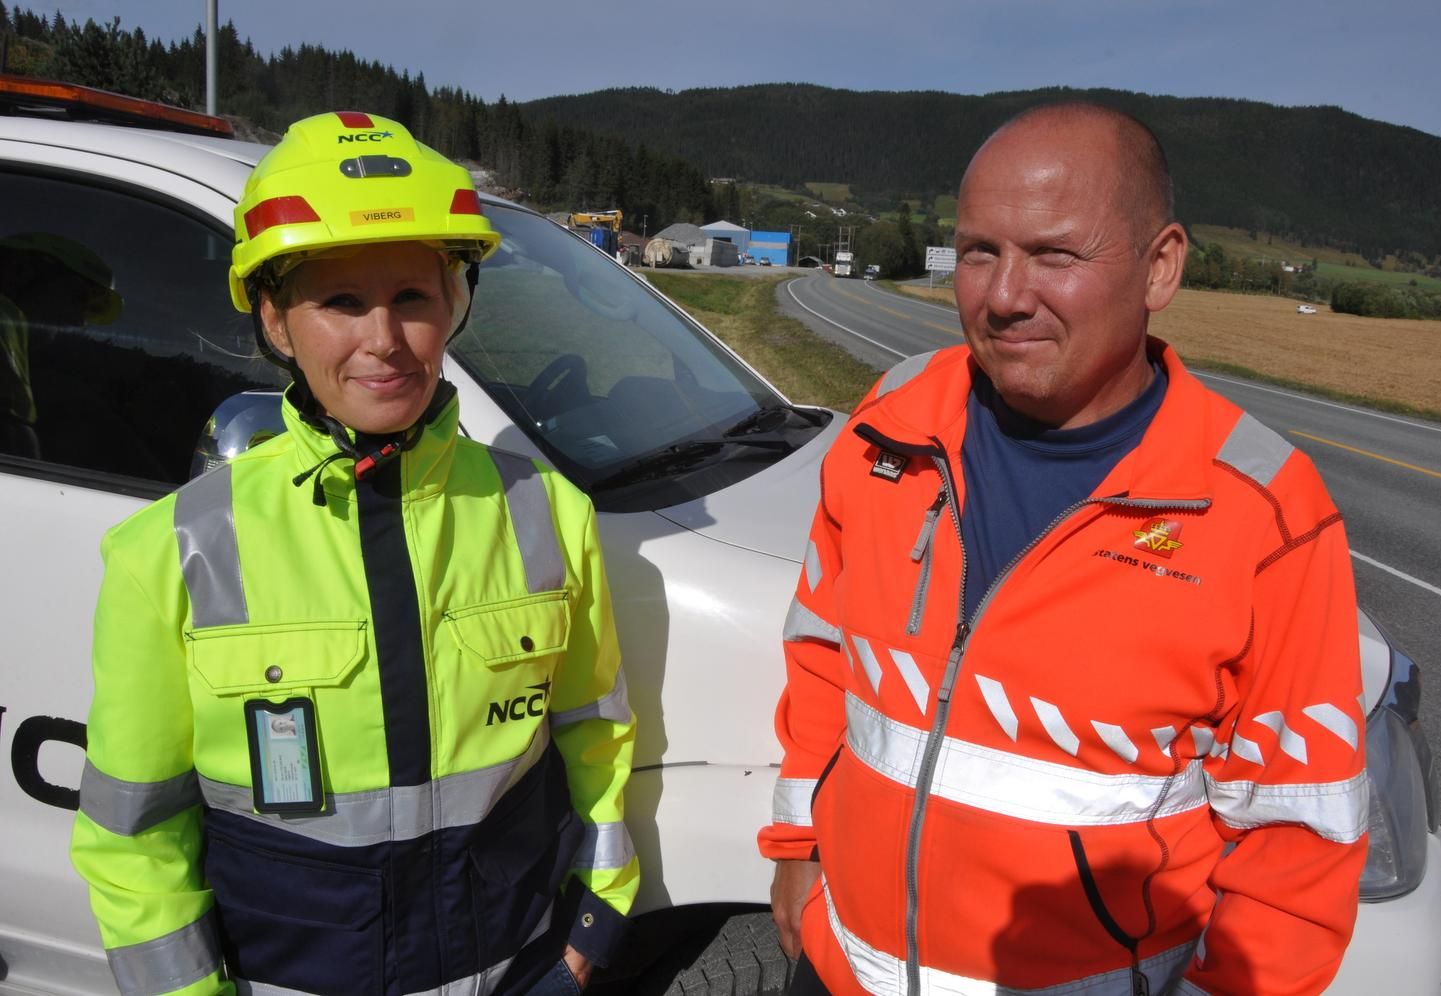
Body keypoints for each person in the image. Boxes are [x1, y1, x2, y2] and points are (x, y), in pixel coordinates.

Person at [759, 103, 1367, 995]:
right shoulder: (890, 429)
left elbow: (1296, 845)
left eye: (1054, 255)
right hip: (842, 968)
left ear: (1160, 266)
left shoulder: (1263, 514)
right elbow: (823, 659)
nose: (1005, 295)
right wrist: (797, 847)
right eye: (979, 251)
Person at [69, 112, 638, 996]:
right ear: (275, 320)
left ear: (454, 305)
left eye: (413, 296)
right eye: (340, 302)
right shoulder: (170, 552)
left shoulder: (547, 514)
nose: (384, 338)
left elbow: (595, 740)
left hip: (520, 973)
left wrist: (591, 928)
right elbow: (135, 833)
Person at [0, 232, 123, 459]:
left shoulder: (44, 370)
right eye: (76, 298)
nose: (77, 321)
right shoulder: (4, 319)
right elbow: (15, 444)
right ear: (22, 272)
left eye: (88, 311)